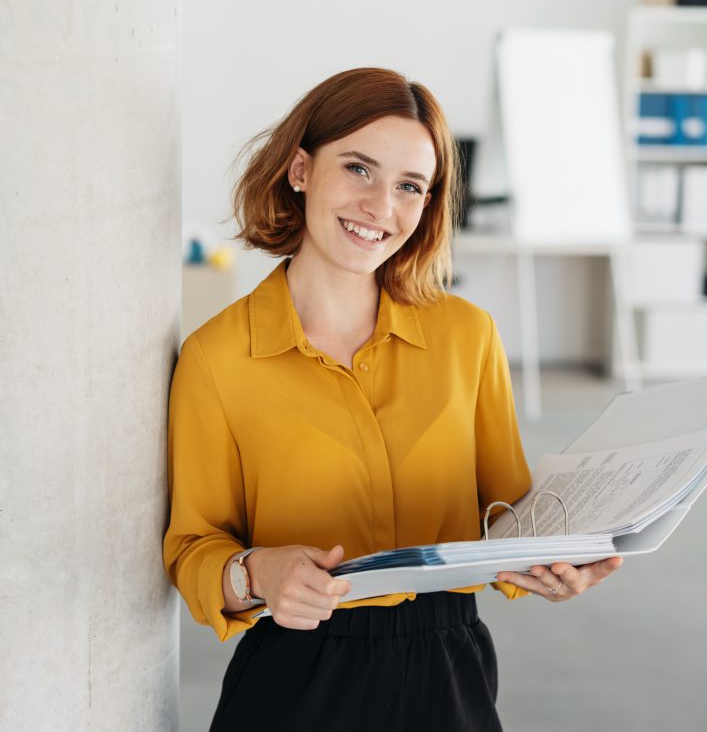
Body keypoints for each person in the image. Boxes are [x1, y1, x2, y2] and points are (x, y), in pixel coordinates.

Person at [162, 67, 622, 731]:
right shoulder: (217, 358)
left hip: (449, 670)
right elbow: (191, 547)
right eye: (358, 169)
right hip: (294, 676)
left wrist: (550, 563)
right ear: (300, 170)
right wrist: (258, 572)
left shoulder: (468, 336)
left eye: (410, 186)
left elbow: (508, 512)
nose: (382, 207)